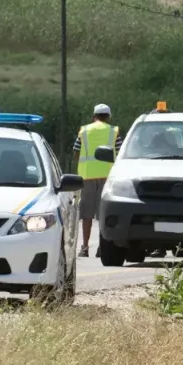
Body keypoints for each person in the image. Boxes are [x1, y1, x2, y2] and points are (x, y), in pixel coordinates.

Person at [73, 104, 121, 256]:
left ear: (94, 116)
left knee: (87, 214)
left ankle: (85, 247)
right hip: (108, 178)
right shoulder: (114, 132)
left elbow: (76, 153)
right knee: (103, 215)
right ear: (108, 117)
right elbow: (119, 154)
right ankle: (102, 247)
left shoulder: (84, 131)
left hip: (87, 177)